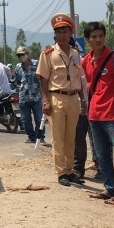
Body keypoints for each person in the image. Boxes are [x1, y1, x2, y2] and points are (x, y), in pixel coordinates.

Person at [82, 22, 114, 206]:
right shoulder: (86, 61)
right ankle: (109, 188)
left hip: (113, 114)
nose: (98, 39)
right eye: (93, 37)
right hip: (94, 115)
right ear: (88, 40)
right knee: (102, 155)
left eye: (100, 35)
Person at [37, 13, 85, 186]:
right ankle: (61, 172)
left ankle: (70, 169)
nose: (62, 34)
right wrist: (45, 100)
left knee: (71, 136)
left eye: (65, 31)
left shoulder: (75, 54)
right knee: (58, 137)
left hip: (73, 98)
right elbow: (43, 78)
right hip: (56, 96)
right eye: (59, 31)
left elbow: (79, 78)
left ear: (71, 32)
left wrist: (83, 101)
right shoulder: (48, 53)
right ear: (54, 34)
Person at [12, 46, 44, 144]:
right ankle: (31, 137)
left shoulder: (36, 64)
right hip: (23, 97)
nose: (21, 56)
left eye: (22, 54)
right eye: (19, 55)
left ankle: (40, 137)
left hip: (36, 97)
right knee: (25, 119)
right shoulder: (18, 67)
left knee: (39, 118)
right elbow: (16, 81)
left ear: (27, 54)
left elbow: (42, 79)